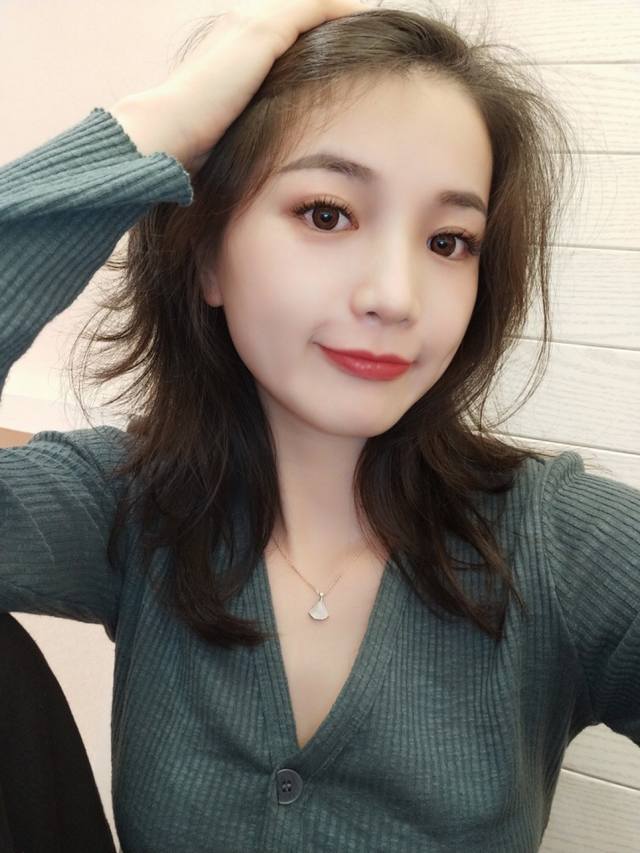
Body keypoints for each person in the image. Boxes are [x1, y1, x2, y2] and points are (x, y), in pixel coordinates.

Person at [1, 1, 638, 851]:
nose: (395, 297)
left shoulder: (560, 544)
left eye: (449, 241)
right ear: (207, 256)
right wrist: (154, 126)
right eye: (327, 214)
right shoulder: (129, 504)